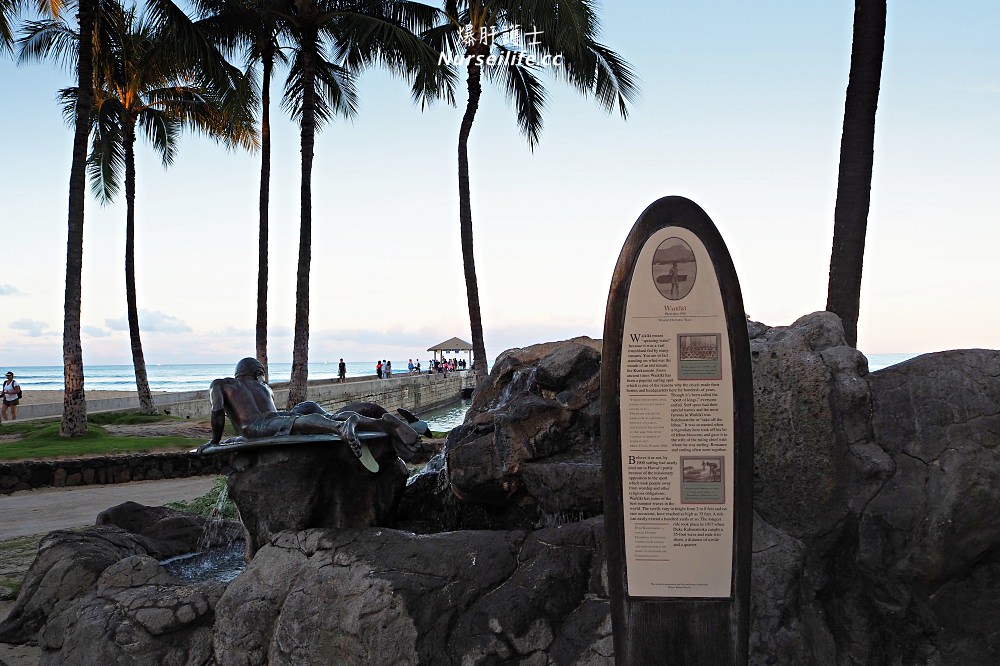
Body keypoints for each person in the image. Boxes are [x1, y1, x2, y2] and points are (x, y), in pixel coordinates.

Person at [207, 358, 419, 465]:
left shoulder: (220, 384)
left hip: (257, 426)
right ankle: (379, 423)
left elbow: (217, 411)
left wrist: (214, 441)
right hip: (275, 417)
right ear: (258, 372)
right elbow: (274, 415)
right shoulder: (264, 387)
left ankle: (340, 427)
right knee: (309, 413)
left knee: (301, 420)